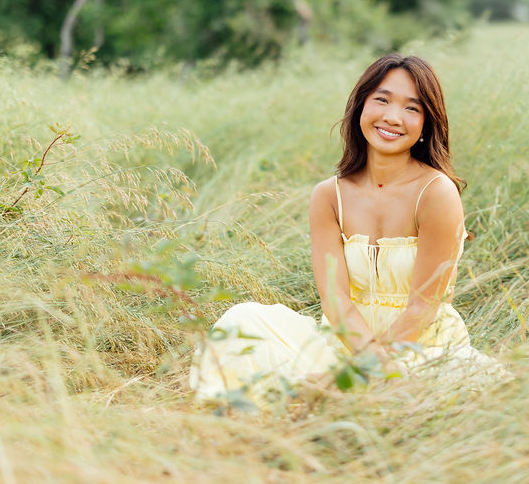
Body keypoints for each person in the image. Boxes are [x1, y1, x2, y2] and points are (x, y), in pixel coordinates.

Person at [190, 54, 509, 404]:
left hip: (419, 347)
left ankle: (331, 389)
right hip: (342, 343)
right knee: (243, 320)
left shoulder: (436, 192)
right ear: (361, 106)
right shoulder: (329, 195)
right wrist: (355, 363)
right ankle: (333, 389)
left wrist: (359, 372)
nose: (392, 117)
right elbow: (335, 299)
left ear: (426, 123)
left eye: (411, 108)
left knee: (459, 374)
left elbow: (422, 308)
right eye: (382, 100)